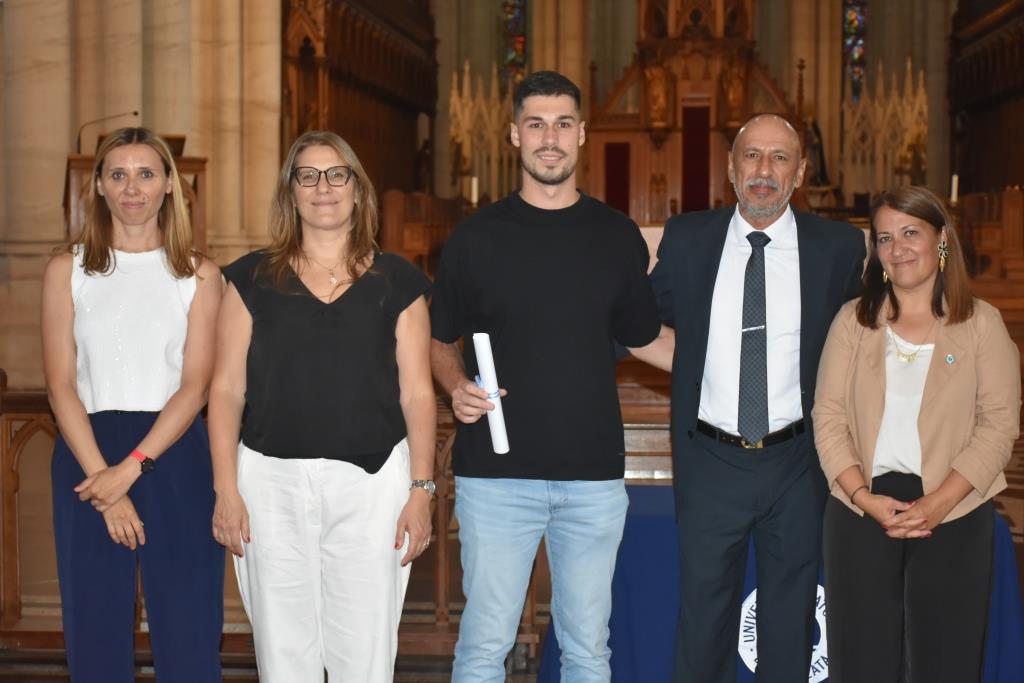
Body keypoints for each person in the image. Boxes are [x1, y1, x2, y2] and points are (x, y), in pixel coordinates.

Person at [430, 70, 662, 682]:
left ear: (582, 134)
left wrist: (736, 372)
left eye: (562, 124)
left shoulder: (616, 236)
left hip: (591, 478)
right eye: (536, 124)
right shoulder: (475, 238)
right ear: (515, 135)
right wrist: (455, 385)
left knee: (588, 649)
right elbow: (438, 338)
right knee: (485, 645)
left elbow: (646, 338)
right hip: (497, 480)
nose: (549, 138)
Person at [631, 113, 866, 682]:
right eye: (752, 157)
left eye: (779, 158)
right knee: (704, 619)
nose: (765, 170)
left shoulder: (836, 248)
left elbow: (871, 337)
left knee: (789, 618)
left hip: (797, 460)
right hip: (712, 458)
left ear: (800, 171)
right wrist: (690, 361)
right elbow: (633, 321)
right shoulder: (688, 239)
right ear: (731, 170)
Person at [208, 130, 435, 682]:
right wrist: (226, 490)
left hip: (372, 485)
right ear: (291, 193)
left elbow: (418, 392)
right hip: (269, 484)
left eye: (337, 174)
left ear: (358, 190)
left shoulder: (397, 279)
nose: (323, 187)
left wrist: (422, 491)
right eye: (307, 176)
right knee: (285, 657)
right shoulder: (250, 277)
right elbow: (226, 389)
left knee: (364, 655)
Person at [812, 185, 1020, 682]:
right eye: (885, 238)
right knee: (861, 660)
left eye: (910, 233)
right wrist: (862, 496)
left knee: (944, 661)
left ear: (941, 240)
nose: (898, 248)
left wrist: (939, 503)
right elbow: (828, 418)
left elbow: (999, 424)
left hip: (953, 509)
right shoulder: (852, 323)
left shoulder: (982, 325)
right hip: (861, 509)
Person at [42, 127, 225, 682]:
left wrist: (132, 468)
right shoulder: (66, 270)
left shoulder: (199, 275)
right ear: (97, 186)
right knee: (95, 626)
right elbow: (60, 385)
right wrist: (105, 479)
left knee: (189, 624)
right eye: (117, 174)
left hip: (173, 453)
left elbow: (195, 386)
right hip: (87, 455)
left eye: (146, 173)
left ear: (171, 184)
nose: (132, 187)